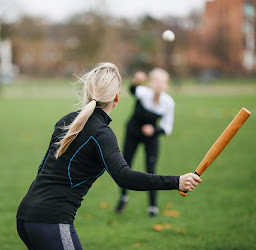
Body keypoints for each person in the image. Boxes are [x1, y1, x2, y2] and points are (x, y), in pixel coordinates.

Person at [16, 63, 201, 249]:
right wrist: (176, 181)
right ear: (117, 97)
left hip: (25, 217)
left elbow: (42, 168)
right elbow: (124, 177)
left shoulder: (67, 120)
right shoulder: (102, 133)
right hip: (51, 222)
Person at [115, 68, 175, 217]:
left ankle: (153, 207)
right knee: (125, 165)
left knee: (151, 168)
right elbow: (133, 90)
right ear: (150, 83)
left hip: (151, 138)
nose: (158, 84)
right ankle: (123, 197)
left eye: (162, 82)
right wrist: (136, 80)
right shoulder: (143, 93)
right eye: (155, 80)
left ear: (166, 85)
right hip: (133, 133)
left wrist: (153, 131)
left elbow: (167, 128)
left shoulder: (168, 102)